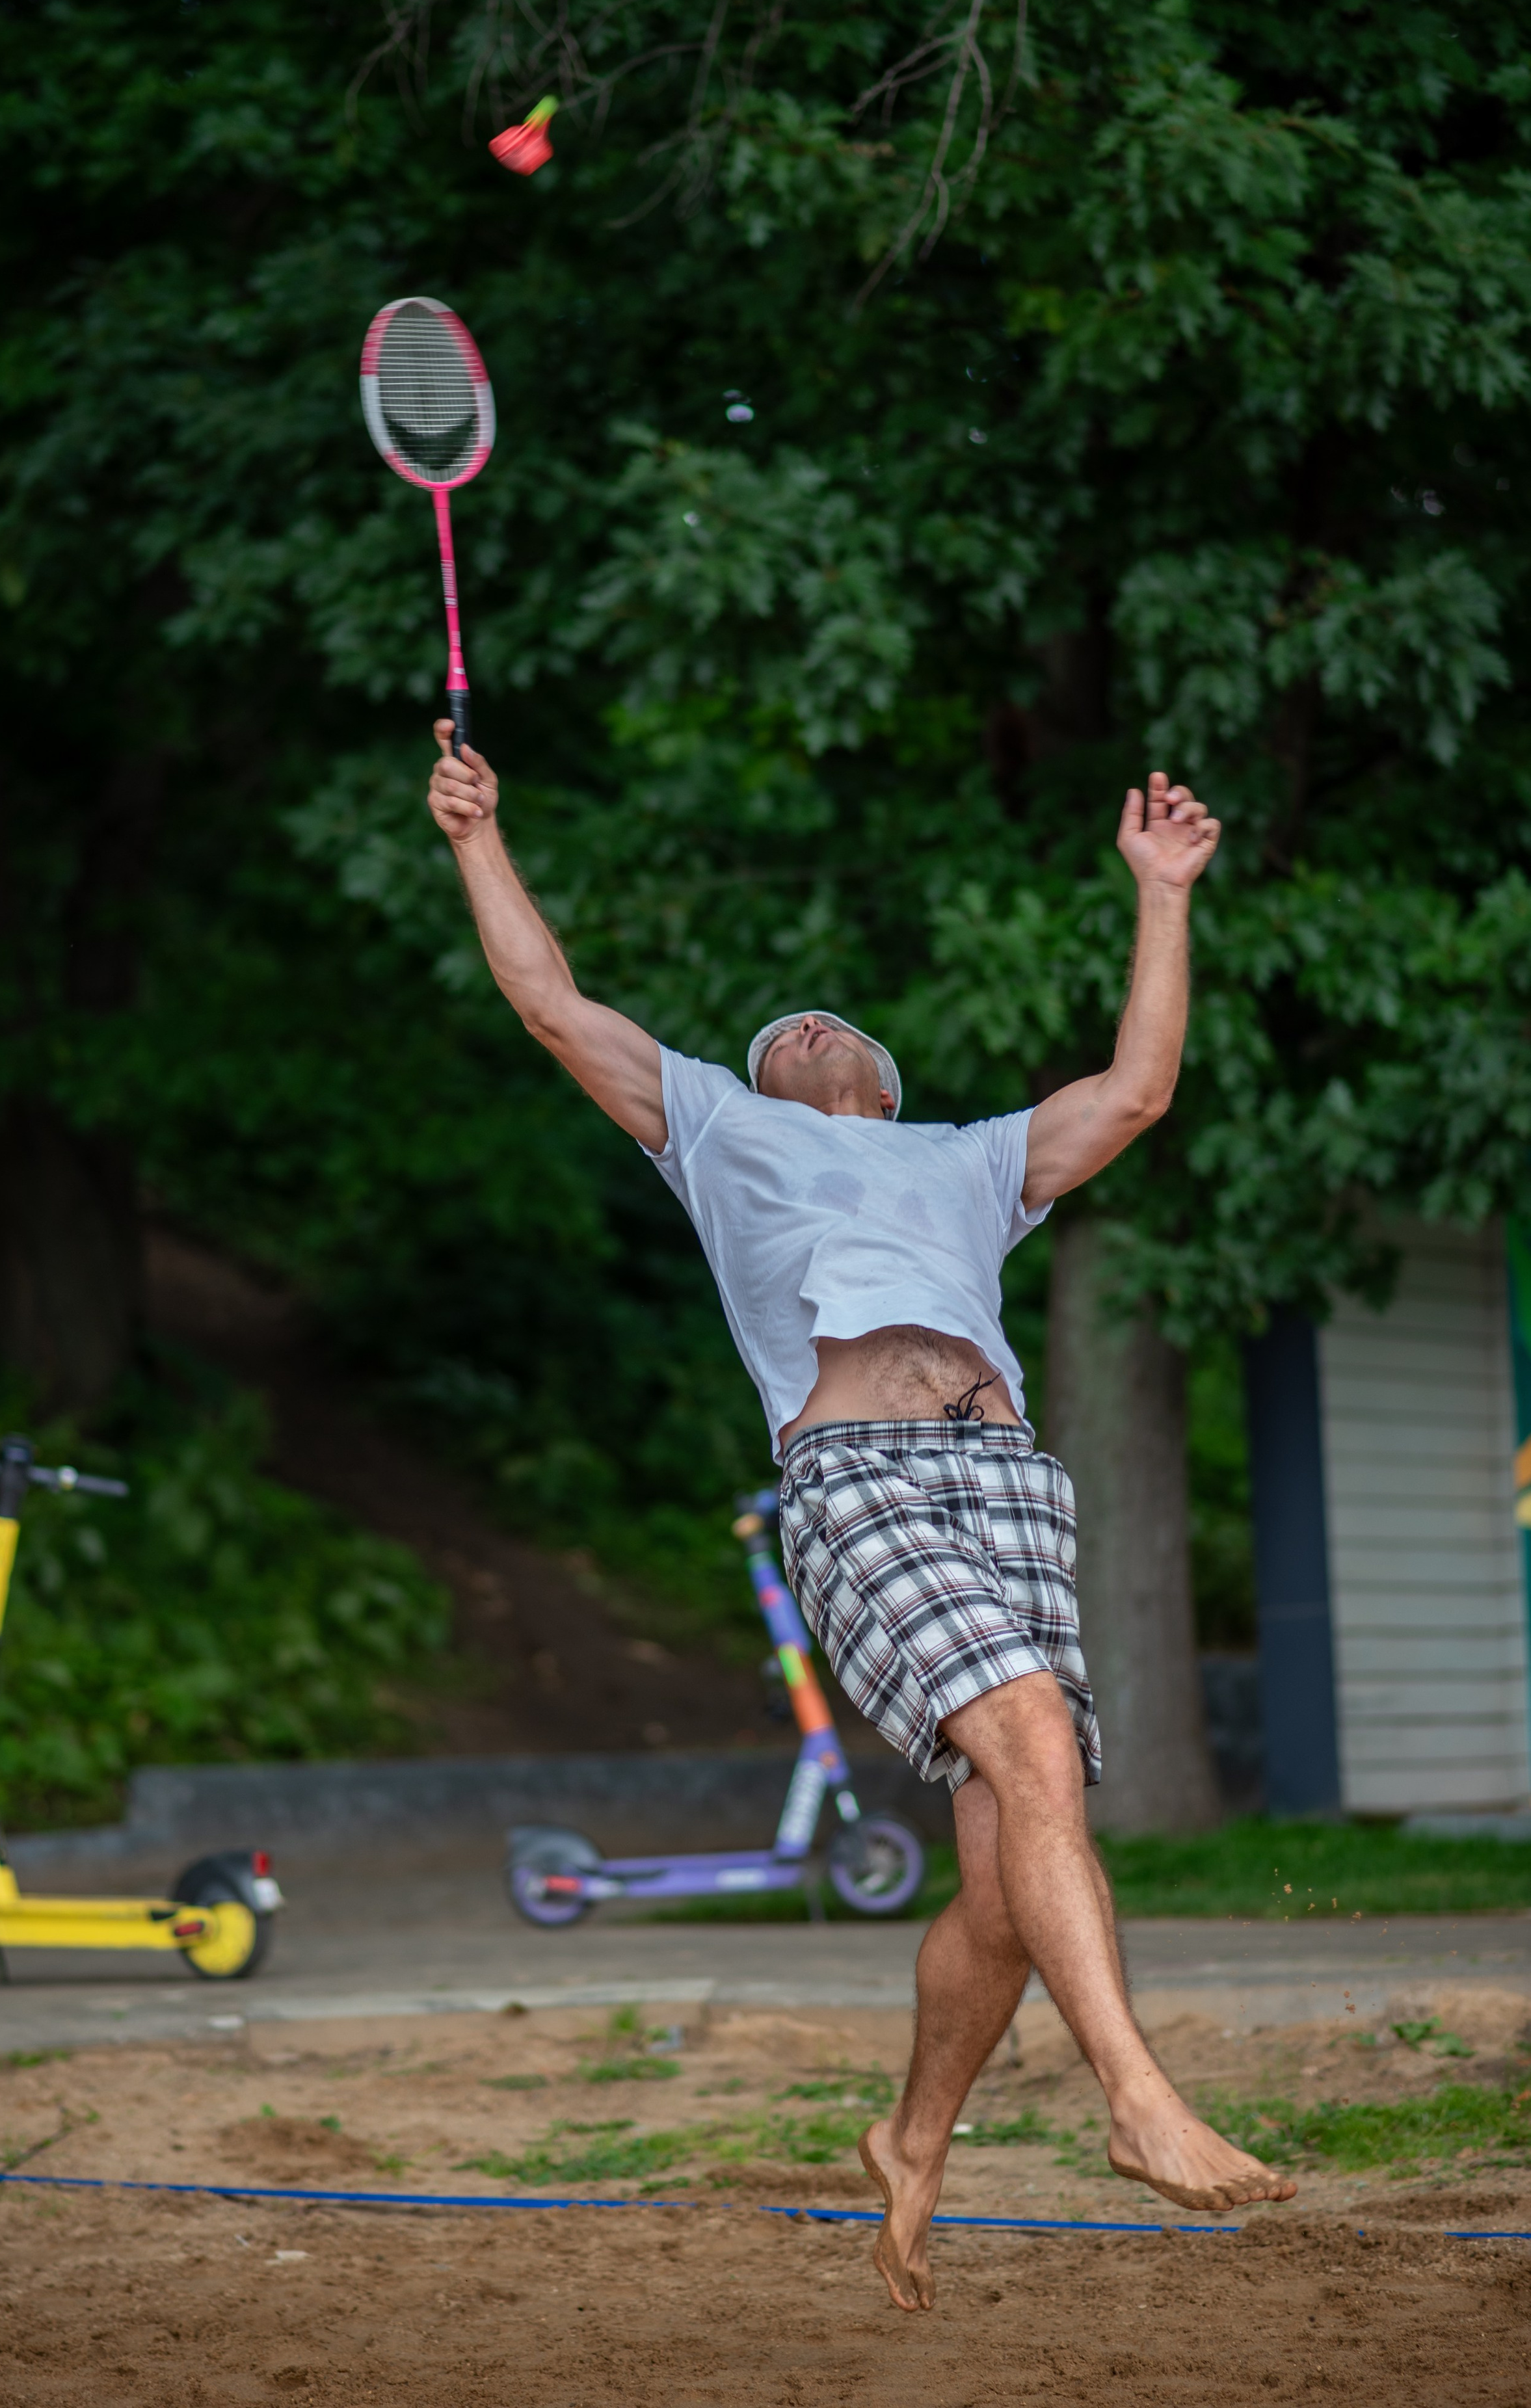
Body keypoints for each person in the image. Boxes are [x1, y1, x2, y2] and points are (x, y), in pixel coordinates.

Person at [426, 724, 1297, 2310]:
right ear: (756, 1080)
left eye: (834, 1023)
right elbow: (550, 1004)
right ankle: (1136, 2099)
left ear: (883, 1081)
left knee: (1007, 1878)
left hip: (1009, 1481)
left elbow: (1140, 1086)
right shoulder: (710, 1126)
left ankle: (908, 2141)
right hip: (859, 1481)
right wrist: (480, 836)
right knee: (1036, 1752)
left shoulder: (964, 1160)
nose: (807, 1025)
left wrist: (1159, 891)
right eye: (782, 1026)